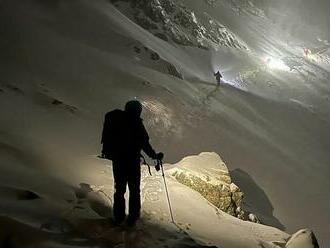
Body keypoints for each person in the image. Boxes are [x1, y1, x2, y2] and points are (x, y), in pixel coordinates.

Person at [101, 100, 163, 226]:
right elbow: (145, 144)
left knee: (119, 189)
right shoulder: (136, 123)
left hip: (118, 160)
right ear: (138, 111)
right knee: (134, 190)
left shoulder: (116, 120)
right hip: (132, 161)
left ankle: (118, 217)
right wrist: (155, 156)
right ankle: (133, 218)